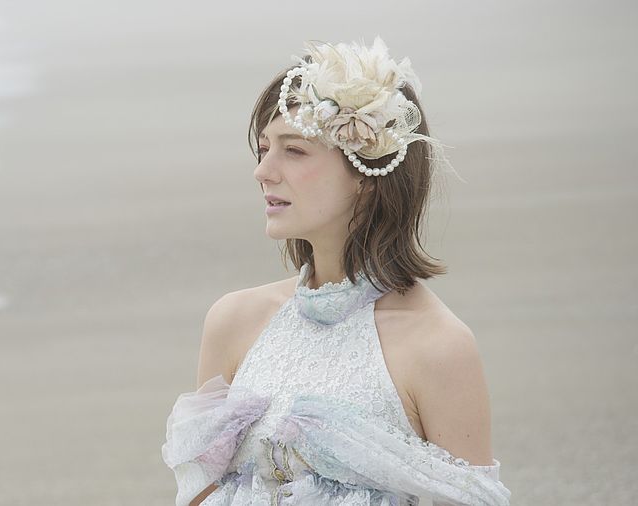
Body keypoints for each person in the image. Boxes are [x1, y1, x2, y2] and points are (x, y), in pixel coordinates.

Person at [160, 37, 512, 506]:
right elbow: (197, 495)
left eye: (295, 150)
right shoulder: (234, 322)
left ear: (367, 175)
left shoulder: (439, 348)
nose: (263, 171)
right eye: (264, 149)